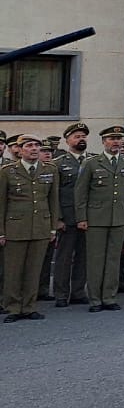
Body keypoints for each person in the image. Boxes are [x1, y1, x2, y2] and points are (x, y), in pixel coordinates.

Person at [74, 125, 124, 312]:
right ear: (103, 142)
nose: (115, 142)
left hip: (119, 217)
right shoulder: (92, 163)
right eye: (111, 139)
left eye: (118, 139)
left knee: (113, 259)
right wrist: (82, 218)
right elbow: (81, 193)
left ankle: (109, 297)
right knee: (95, 260)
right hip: (96, 218)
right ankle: (95, 299)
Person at [1, 133, 59, 322]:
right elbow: (1, 203)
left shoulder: (49, 169)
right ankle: (13, 308)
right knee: (14, 271)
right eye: (29, 146)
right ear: (20, 150)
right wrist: (1, 231)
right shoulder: (8, 171)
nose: (34, 149)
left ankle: (29, 306)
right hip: (15, 227)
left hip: (40, 226)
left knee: (34, 270)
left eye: (37, 146)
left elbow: (53, 200)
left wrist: (52, 228)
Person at [50, 123, 91, 307]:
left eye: (83, 136)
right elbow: (54, 193)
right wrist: (57, 218)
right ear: (67, 140)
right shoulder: (58, 164)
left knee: (84, 257)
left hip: (89, 217)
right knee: (64, 258)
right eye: (76, 136)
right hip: (67, 217)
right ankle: (61, 293)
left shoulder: (92, 161)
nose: (81, 139)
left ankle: (78, 292)